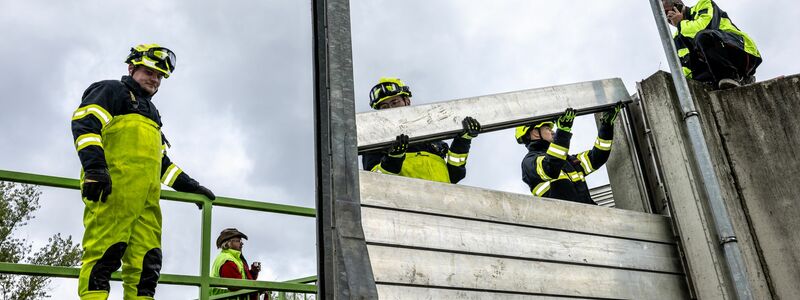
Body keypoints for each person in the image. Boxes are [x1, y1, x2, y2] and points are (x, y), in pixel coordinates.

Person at [71, 43, 216, 299]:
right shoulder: (111, 91)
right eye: (150, 72)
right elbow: (85, 125)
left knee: (146, 268)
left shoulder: (152, 113)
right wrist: (95, 169)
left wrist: (191, 186)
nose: (155, 79)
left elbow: (160, 162)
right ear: (131, 68)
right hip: (113, 193)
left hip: (148, 204)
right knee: (102, 259)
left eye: (159, 76)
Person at [362, 77, 481, 184]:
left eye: (395, 102)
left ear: (407, 101)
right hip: (407, 205)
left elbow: (455, 174)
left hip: (445, 202)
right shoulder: (376, 140)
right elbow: (375, 181)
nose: (391, 109)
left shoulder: (428, 134)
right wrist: (394, 158)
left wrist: (463, 141)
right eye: (384, 107)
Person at [516, 103, 622, 204]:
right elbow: (551, 167)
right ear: (535, 132)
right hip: (565, 220)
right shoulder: (529, 162)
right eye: (548, 128)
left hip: (589, 216)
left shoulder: (567, 160)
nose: (553, 131)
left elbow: (599, 156)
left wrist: (606, 126)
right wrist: (562, 132)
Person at [662, 0, 762, 89]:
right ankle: (718, 81)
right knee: (696, 77)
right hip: (714, 67)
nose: (668, 18)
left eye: (667, 12)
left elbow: (704, 28)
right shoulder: (677, 38)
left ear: (678, 6)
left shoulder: (704, 4)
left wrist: (680, 23)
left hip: (740, 50)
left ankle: (735, 76)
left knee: (703, 37)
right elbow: (685, 66)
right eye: (664, 16)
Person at [211, 228, 262, 300]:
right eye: (238, 240)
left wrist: (253, 272)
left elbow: (242, 282)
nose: (242, 243)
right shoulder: (227, 260)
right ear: (228, 243)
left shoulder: (235, 258)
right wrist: (259, 289)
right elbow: (236, 286)